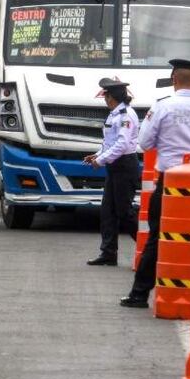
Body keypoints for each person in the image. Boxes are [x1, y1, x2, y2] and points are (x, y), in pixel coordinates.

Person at [120, 59, 190, 309]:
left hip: (170, 185)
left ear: (173, 80)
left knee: (159, 238)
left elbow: (145, 143)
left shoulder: (162, 107)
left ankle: (139, 294)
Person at [84, 78, 140, 267]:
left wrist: (100, 160)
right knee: (108, 211)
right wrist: (97, 155)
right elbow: (110, 143)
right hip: (115, 166)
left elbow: (122, 144)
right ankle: (108, 253)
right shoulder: (114, 115)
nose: (105, 99)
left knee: (124, 212)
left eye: (106, 96)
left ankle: (148, 247)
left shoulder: (126, 116)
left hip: (124, 166)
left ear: (111, 97)